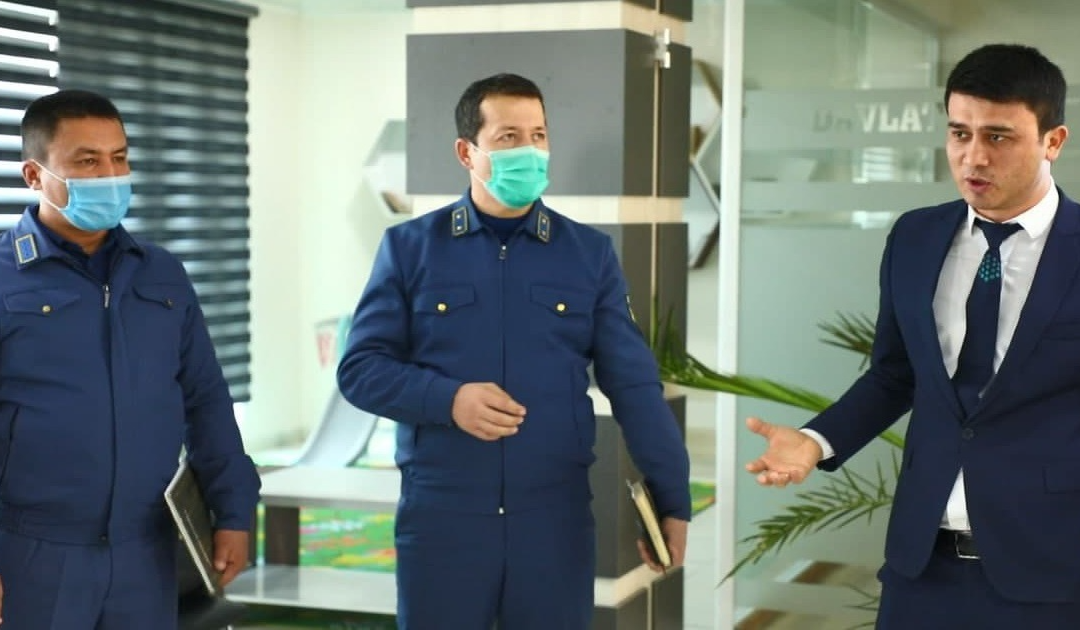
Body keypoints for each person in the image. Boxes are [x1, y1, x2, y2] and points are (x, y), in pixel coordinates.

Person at [337, 73, 691, 629]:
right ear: (467, 152)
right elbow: (360, 369)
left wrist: (673, 498)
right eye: (508, 137)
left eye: (538, 135)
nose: (529, 150)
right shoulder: (409, 248)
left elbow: (635, 386)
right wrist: (448, 400)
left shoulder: (589, 254)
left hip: (554, 521)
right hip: (442, 519)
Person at [745, 44, 1080, 628]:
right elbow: (895, 374)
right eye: (959, 133)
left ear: (1053, 141)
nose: (973, 156)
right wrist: (816, 441)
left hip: (1053, 569)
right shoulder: (916, 237)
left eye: (998, 137)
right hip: (921, 567)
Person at [0, 89, 261, 628]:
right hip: (33, 551)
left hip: (146, 549)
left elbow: (206, 400)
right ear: (33, 175)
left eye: (119, 157)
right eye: (87, 161)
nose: (110, 175)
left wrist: (234, 510)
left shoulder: (161, 273)